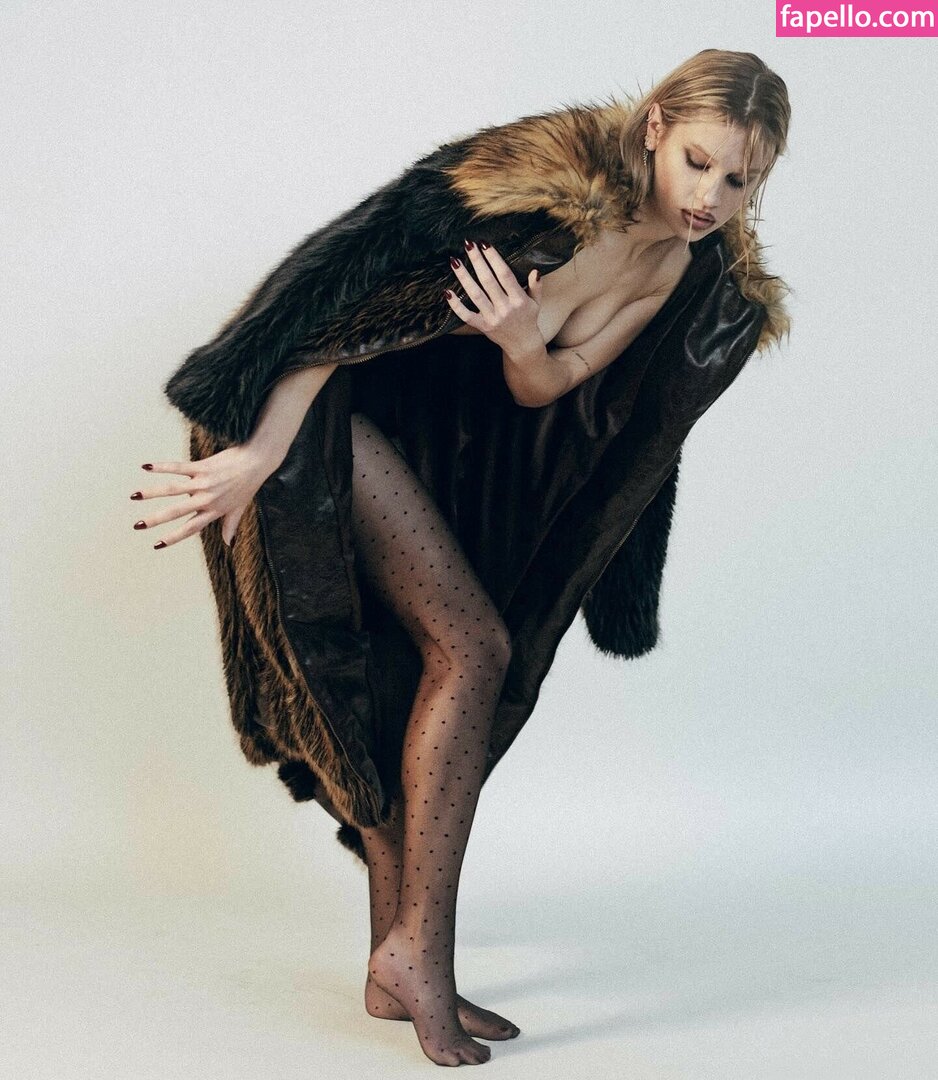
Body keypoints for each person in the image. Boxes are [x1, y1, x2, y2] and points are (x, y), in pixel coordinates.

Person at [132, 49, 791, 1067]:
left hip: (424, 455)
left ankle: (390, 965)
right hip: (316, 416)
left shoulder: (669, 270)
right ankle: (422, 958)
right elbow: (339, 316)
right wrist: (256, 454)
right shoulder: (542, 197)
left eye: (737, 179)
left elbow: (550, 382)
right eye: (697, 162)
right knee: (473, 648)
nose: (709, 196)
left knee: (415, 673)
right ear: (656, 128)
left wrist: (522, 337)